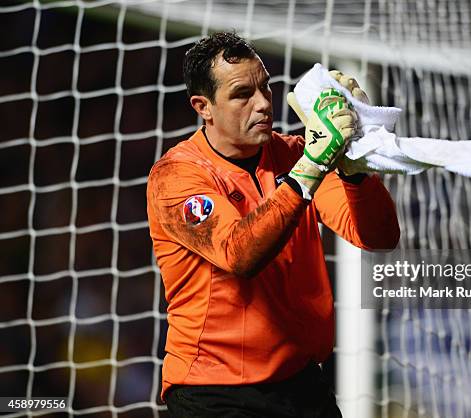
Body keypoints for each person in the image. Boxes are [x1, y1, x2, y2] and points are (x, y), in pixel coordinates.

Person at [146, 32, 400, 418]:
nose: (264, 103)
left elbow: (379, 237)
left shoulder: (294, 153)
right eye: (242, 94)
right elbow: (240, 254)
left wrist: (354, 169)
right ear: (204, 106)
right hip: (214, 393)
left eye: (266, 87)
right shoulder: (176, 176)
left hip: (300, 384)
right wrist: (309, 170)